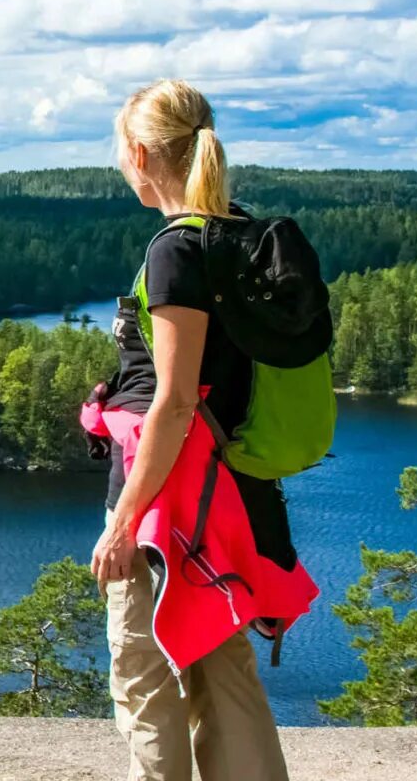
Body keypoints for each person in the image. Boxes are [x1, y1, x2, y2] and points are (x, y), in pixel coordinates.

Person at [86, 79, 308, 781]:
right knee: (224, 671)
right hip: (228, 500)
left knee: (146, 680)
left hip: (167, 507)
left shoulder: (176, 251)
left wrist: (122, 523)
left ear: (141, 153)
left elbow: (176, 403)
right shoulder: (242, 235)